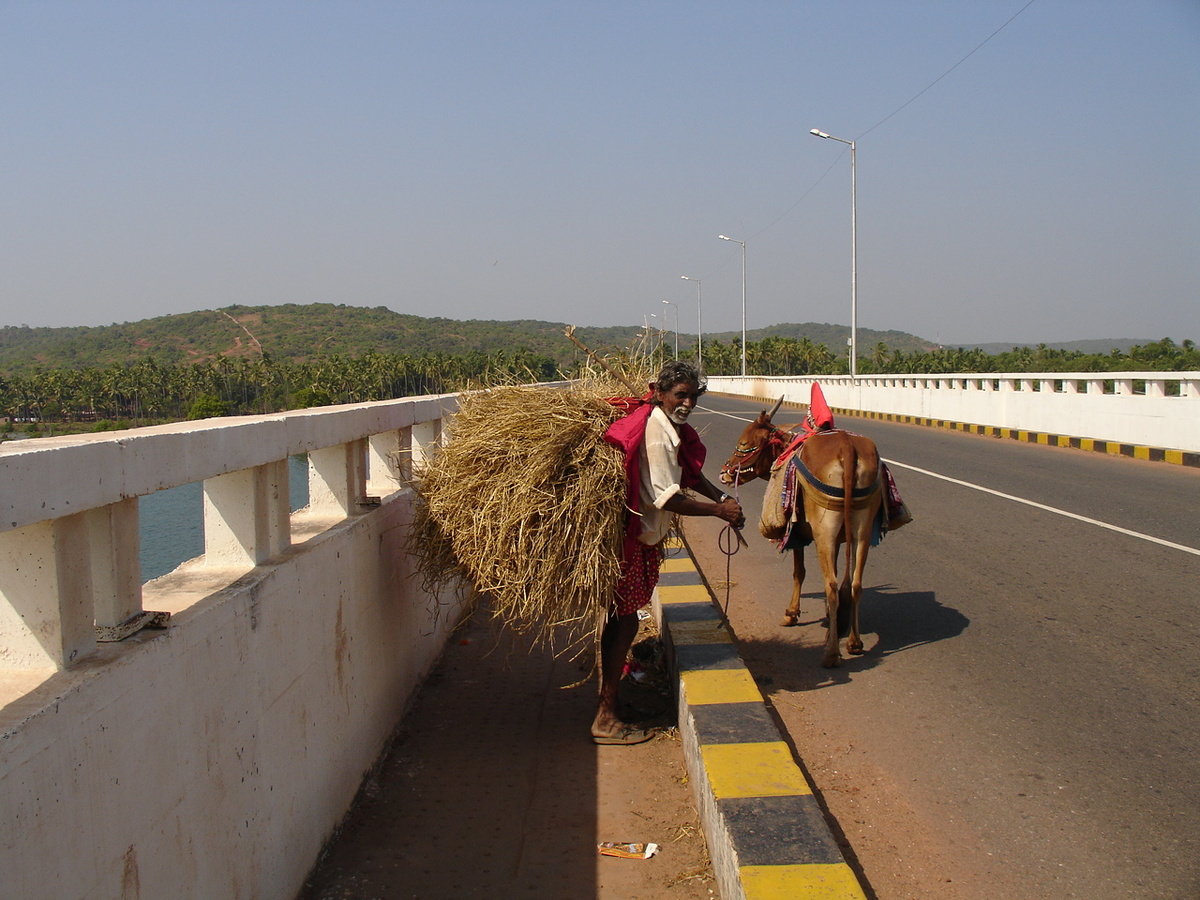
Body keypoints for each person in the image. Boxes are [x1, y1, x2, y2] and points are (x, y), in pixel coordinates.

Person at [593, 361, 744, 745]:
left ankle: (611, 705)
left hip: (641, 538)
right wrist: (718, 511)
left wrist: (721, 496)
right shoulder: (658, 435)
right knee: (624, 622)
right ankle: (605, 717)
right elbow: (669, 497)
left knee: (620, 621)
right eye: (681, 395)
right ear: (660, 393)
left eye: (693, 396)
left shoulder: (668, 426)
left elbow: (690, 475)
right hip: (634, 539)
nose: (688, 402)